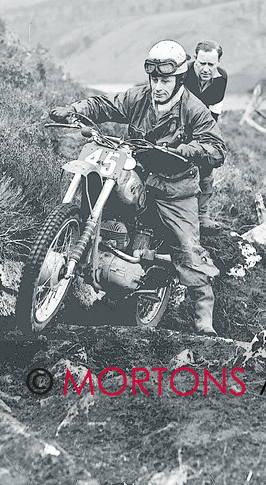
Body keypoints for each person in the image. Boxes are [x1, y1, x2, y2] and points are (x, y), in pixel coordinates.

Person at [49, 40, 226, 335]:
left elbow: (217, 149)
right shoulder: (139, 98)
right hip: (140, 174)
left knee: (187, 250)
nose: (158, 86)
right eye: (154, 79)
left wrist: (187, 149)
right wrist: (74, 109)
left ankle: (203, 316)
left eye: (165, 80)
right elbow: (105, 105)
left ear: (180, 79)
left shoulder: (193, 108)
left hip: (175, 189)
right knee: (103, 193)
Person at [183, 40, 229, 231]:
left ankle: (203, 215)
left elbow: (215, 110)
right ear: (195, 59)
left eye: (211, 64)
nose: (206, 69)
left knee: (207, 164)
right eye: (202, 63)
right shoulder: (183, 73)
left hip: (203, 124)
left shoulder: (221, 78)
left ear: (218, 63)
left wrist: (206, 138)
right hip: (178, 123)